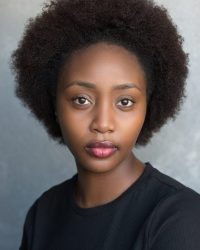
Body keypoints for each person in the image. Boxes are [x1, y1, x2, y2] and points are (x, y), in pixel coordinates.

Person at [11, 0, 200, 249]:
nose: (102, 124)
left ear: (148, 107)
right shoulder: (43, 213)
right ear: (55, 105)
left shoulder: (182, 219)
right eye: (81, 99)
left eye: (124, 101)